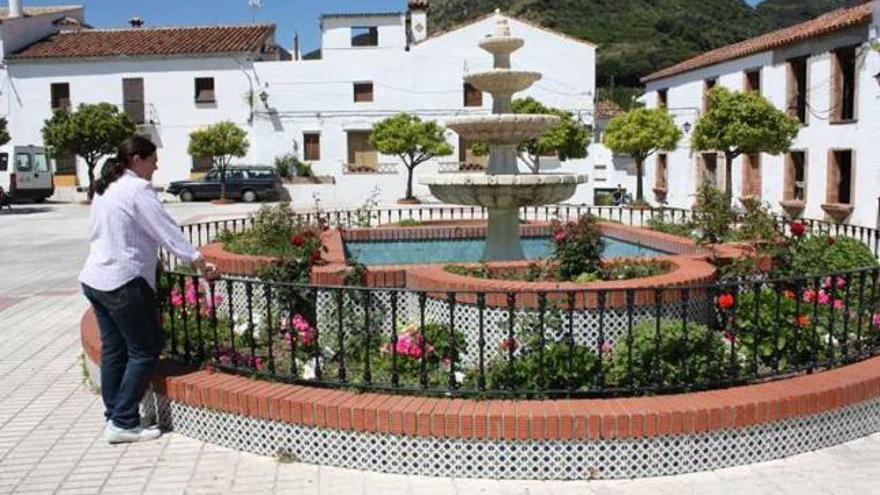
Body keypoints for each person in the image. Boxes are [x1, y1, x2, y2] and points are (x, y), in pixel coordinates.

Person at [79, 136, 217, 444]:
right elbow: (164, 228)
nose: (156, 165)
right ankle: (123, 421)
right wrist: (196, 259)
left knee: (115, 348)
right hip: (123, 281)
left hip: (95, 279)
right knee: (145, 350)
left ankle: (114, 414)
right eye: (153, 159)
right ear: (137, 160)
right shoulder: (136, 189)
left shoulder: (106, 187)